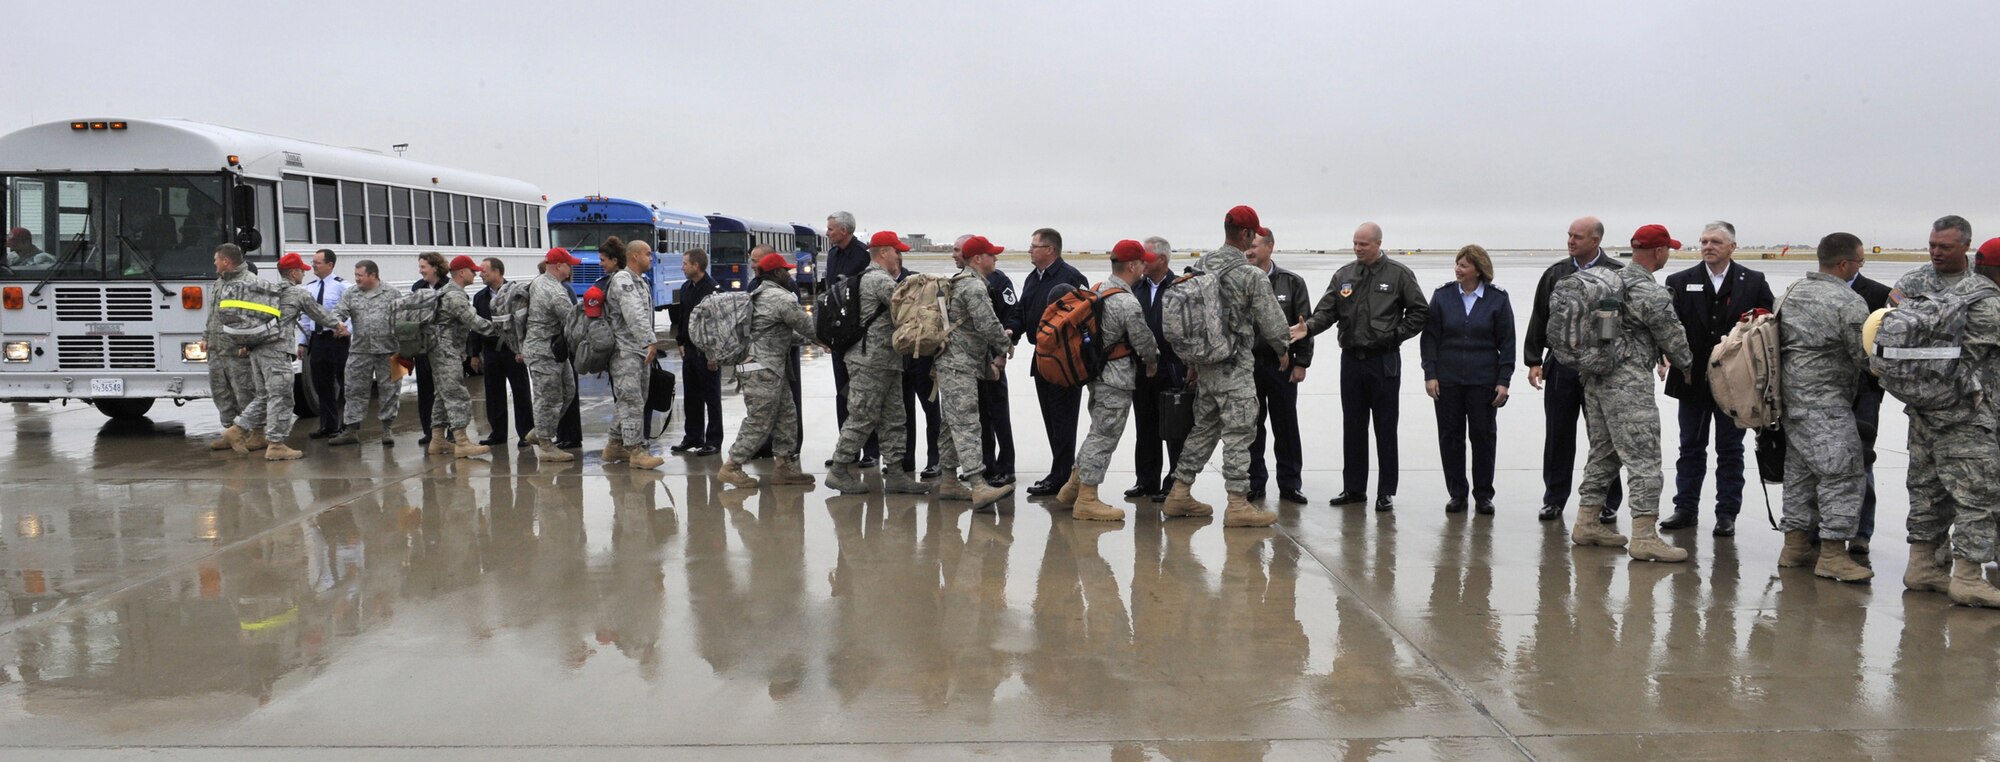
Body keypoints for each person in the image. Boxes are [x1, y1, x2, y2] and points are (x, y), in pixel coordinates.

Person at [1567, 225, 1695, 562]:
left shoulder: (1607, 283)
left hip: (1594, 380)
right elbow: (1674, 338)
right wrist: (1689, 365)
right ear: (1658, 252)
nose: (1668, 254)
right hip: (1629, 387)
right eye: (1668, 249)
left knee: (1604, 453)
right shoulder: (1650, 293)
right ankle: (1644, 536)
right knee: (1645, 459)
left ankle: (1586, 522)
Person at [1164, 206, 1292, 527]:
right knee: (1240, 431)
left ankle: (1179, 492)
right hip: (1234, 366)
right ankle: (1237, 503)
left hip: (1206, 365)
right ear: (1247, 235)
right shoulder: (1250, 274)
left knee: (1204, 428)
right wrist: (1284, 349)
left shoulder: (1203, 264)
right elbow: (1273, 323)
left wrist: (1193, 361)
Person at [1293, 222, 1427, 512]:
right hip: (1352, 360)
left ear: (1378, 243)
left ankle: (1386, 491)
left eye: (1363, 244)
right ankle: (1354, 488)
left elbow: (1419, 312)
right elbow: (1325, 312)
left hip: (1384, 361)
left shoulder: (1399, 275)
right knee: (1353, 427)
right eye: (1355, 243)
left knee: (1385, 427)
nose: (1357, 248)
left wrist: (1395, 334)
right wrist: (1309, 329)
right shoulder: (1344, 275)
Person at [1893, 216, 1990, 601]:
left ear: (1965, 246)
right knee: (1966, 492)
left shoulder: (1972, 287)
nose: (1935, 252)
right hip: (1956, 412)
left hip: (1940, 407)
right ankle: (1959, 577)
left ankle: (1927, 569)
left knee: (1939, 489)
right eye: (1932, 245)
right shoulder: (1976, 292)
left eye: (1944, 247)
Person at [1661, 222, 1773, 537]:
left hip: (1736, 384)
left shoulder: (1752, 281)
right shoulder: (1680, 281)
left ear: (1732, 247)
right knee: (1690, 447)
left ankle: (1727, 513)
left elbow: (1768, 325)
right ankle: (1685, 508)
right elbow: (1666, 325)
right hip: (1691, 379)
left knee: (1730, 449)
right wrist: (1665, 356)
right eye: (1704, 241)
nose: (1708, 246)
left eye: (1715, 241)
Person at [1772, 232, 1873, 582]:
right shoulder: (1849, 302)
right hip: (1827, 404)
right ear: (1845, 264)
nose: (1860, 267)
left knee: (1799, 475)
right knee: (1843, 475)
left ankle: (1795, 547)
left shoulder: (1789, 293)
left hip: (1789, 402)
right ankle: (1832, 554)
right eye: (1860, 261)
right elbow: (1864, 356)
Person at [1522, 217, 1627, 522]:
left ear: (1595, 240)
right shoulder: (1556, 273)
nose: (1571, 241)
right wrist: (1533, 360)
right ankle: (1554, 498)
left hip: (1603, 370)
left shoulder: (1617, 274)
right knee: (1558, 434)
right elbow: (1539, 317)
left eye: (1578, 237)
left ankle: (1608, 501)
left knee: (1604, 437)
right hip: (1563, 366)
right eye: (1569, 235)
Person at [1056, 240, 1160, 521]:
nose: (1144, 266)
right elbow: (1144, 342)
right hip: (1116, 379)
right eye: (1141, 262)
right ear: (1131, 266)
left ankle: (1072, 488)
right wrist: (1152, 361)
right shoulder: (1126, 302)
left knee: (1096, 432)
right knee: (1104, 437)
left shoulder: (1098, 289)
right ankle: (1088, 498)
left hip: (1096, 376)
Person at [824, 232, 928, 495]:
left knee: (895, 418)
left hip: (887, 361)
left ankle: (895, 474)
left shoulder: (875, 278)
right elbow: (907, 310)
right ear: (883, 253)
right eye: (897, 251)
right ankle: (838, 470)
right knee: (862, 416)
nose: (900, 256)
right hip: (870, 362)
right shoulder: (879, 280)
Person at [1420, 245, 1515, 515]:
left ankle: (1483, 494)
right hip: (1447, 380)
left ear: (1478, 268)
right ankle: (1457, 493)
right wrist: (1430, 374)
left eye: (1463, 265)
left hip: (1483, 380)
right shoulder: (1442, 296)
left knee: (1483, 437)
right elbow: (1430, 339)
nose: (1458, 269)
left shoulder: (1497, 299)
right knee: (1451, 437)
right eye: (1457, 264)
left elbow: (1507, 343)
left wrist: (1504, 380)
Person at [716, 253, 819, 489]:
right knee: (760, 420)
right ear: (777, 274)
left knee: (786, 415)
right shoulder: (781, 298)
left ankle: (784, 466)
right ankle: (732, 466)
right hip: (763, 369)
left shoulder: (759, 294)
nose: (790, 274)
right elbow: (808, 326)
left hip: (765, 367)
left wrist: (808, 341)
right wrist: (826, 338)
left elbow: (778, 332)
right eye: (786, 270)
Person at [227, 252, 341, 461]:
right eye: (301, 271)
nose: (304, 275)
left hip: (257, 350)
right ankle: (276, 444)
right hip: (276, 352)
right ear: (294, 272)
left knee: (264, 396)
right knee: (282, 397)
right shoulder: (298, 293)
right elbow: (318, 313)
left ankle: (237, 430)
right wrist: (338, 325)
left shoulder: (270, 291)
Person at [1936, 237, 2000, 606]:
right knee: (1980, 497)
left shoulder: (1955, 293)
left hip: (1935, 409)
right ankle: (1968, 577)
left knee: (1930, 492)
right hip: (1974, 413)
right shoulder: (1991, 305)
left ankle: (1923, 565)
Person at [934, 236, 1016, 508]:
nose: (996, 259)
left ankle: (948, 479)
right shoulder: (974, 287)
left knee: (950, 424)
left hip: (953, 364)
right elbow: (988, 325)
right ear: (978, 259)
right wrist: (1006, 344)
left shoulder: (960, 282)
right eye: (991, 255)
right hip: (959, 367)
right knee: (968, 423)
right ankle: (978, 485)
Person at [1015, 227, 1090, 496]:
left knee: (1063, 420)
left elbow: (1085, 316)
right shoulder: (1032, 279)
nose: (1030, 250)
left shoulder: (1071, 277)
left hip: (1064, 359)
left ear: (1050, 250)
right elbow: (1021, 313)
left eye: (1034, 246)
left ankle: (1061, 476)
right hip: (1042, 357)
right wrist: (1011, 332)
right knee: (1050, 418)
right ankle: (1060, 471)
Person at [1242, 227, 1313, 504]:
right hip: (1248, 366)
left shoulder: (1291, 282)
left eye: (1255, 245)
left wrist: (1302, 363)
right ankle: (1254, 482)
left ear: (1270, 247)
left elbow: (1304, 325)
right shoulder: (1241, 280)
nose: (1249, 250)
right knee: (1252, 427)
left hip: (1282, 366)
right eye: (1247, 244)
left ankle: (1290, 483)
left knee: (1286, 426)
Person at [422, 253, 501, 459]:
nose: (476, 274)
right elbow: (473, 321)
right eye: (473, 271)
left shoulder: (446, 291)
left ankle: (437, 440)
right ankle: (462, 442)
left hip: (441, 350)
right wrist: (501, 329)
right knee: (457, 395)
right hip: (445, 351)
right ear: (462, 272)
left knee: (442, 395)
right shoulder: (454, 295)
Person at [1129, 236, 1185, 502]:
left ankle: (1174, 483)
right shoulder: (1136, 287)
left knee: (1174, 430)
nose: (1141, 261)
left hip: (1172, 368)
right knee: (1145, 425)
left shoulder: (1180, 288)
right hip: (1141, 368)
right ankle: (1146, 480)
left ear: (1162, 259)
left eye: (1146, 257)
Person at [604, 240, 666, 470]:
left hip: (637, 352)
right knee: (631, 402)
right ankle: (636, 451)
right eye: (648, 254)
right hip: (625, 352)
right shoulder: (624, 280)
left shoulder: (640, 281)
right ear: (635, 256)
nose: (651, 257)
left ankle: (614, 444)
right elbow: (634, 314)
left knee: (632, 400)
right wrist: (649, 340)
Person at [823, 212, 878, 467]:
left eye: (831, 229)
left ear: (845, 231)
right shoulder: (833, 254)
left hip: (859, 333)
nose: (828, 233)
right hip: (838, 334)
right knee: (842, 393)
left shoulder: (863, 254)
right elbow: (829, 293)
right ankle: (846, 450)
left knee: (863, 394)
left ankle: (871, 450)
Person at [327, 259, 402, 446]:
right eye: (356, 275)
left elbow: (403, 319)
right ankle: (351, 430)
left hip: (390, 351)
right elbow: (338, 312)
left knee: (391, 391)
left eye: (360, 275)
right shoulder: (351, 293)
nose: (357, 279)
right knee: (353, 390)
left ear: (373, 275)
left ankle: (387, 429)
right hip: (360, 351)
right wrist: (338, 325)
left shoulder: (392, 293)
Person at [964, 235, 1020, 485]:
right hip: (971, 362)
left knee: (998, 414)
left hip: (992, 359)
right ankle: (987, 463)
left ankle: (1006, 465)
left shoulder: (999, 281)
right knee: (979, 417)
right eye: (992, 254)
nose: (996, 258)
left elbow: (1010, 317)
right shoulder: (962, 282)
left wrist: (1001, 355)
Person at [1847, 256, 1892, 555]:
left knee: (1863, 461)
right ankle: (1816, 530)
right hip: (1822, 394)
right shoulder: (1810, 292)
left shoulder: (1879, 294)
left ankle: (1862, 532)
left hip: (1865, 394)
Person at [523, 248, 583, 462]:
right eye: (569, 265)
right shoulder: (556, 292)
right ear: (559, 266)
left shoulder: (539, 282)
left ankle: (540, 431)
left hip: (553, 351)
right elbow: (573, 323)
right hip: (544, 353)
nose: (571, 268)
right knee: (547, 398)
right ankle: (546, 445)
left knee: (568, 390)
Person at [203, 244, 262, 451]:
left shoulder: (250, 283)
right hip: (217, 349)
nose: (214, 264)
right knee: (221, 393)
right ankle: (230, 432)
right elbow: (213, 315)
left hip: (238, 351)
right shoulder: (219, 282)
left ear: (226, 261)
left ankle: (255, 433)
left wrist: (248, 343)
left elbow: (257, 317)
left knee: (245, 393)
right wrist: (206, 337)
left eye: (216, 260)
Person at [471, 257, 533, 447]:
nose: (481, 274)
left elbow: (525, 322)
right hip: (491, 352)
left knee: (521, 392)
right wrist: (474, 354)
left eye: (485, 271)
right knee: (493, 393)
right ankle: (497, 433)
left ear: (497, 272)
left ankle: (526, 434)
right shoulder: (480, 297)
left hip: (512, 351)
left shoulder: (516, 294)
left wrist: (523, 349)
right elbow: (475, 326)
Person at [669, 248, 722, 455]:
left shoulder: (713, 290)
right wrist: (680, 341)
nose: (682, 267)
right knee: (691, 398)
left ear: (696, 266)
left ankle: (714, 440)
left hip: (706, 352)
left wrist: (713, 354)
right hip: (689, 351)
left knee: (712, 398)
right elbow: (683, 317)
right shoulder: (686, 287)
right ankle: (693, 437)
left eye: (685, 264)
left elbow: (718, 325)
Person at [300, 249, 349, 439]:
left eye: (318, 262)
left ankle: (347, 426)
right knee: (322, 384)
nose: (314, 266)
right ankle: (328, 425)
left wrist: (347, 329)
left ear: (330, 265)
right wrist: (303, 342)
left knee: (344, 383)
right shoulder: (309, 288)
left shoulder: (342, 286)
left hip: (337, 339)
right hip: (317, 339)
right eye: (313, 262)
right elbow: (305, 317)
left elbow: (354, 311)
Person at [410, 270, 443, 448]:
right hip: (422, 347)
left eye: (424, 266)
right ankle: (428, 431)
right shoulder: (417, 288)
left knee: (444, 390)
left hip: (441, 347)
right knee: (425, 391)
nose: (421, 270)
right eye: (419, 266)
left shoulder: (446, 286)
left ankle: (450, 431)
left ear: (435, 267)